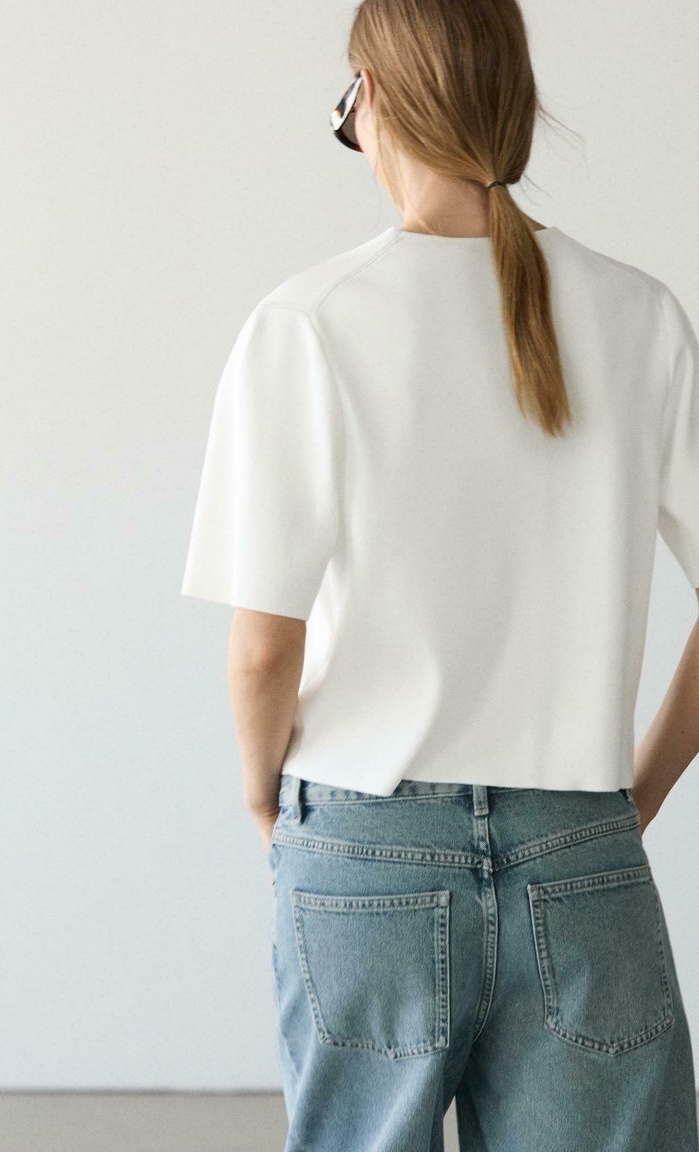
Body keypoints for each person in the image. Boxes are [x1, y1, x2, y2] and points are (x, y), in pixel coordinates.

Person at [180, 0, 699, 1147]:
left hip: (362, 843)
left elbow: (264, 649)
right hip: (580, 846)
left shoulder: (306, 324)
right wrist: (637, 792)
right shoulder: (639, 317)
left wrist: (263, 796)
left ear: (369, 98)